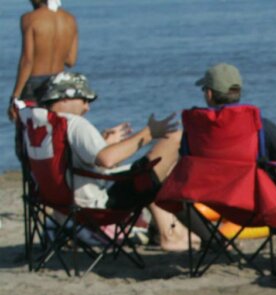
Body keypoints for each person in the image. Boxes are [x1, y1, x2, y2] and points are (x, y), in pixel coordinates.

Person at [38, 71, 193, 250]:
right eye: (85, 100)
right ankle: (171, 235)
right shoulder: (74, 124)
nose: (87, 107)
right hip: (96, 205)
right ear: (65, 98)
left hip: (63, 203)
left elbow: (68, 161)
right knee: (171, 143)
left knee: (150, 171)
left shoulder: (41, 125)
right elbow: (107, 159)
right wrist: (149, 133)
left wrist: (102, 143)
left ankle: (175, 232)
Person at [194, 62, 276, 247]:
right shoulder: (255, 125)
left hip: (213, 204)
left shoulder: (197, 130)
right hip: (259, 206)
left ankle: (212, 243)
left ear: (209, 94)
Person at [8, 0, 77, 121]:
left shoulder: (29, 19)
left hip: (34, 84)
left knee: (28, 132)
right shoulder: (70, 19)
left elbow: (27, 60)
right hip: (58, 84)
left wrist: (15, 96)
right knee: (53, 129)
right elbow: (71, 61)